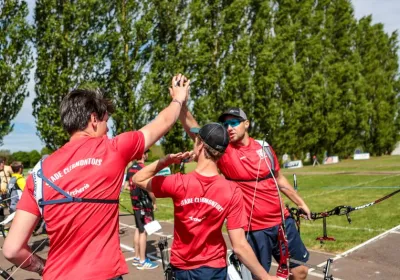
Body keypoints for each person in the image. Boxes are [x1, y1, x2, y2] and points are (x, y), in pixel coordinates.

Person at [2, 74, 190, 280]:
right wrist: (178, 98)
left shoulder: (39, 171)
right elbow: (163, 121)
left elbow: (11, 249)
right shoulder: (113, 149)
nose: (108, 129)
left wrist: (42, 268)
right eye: (106, 121)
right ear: (93, 119)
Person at [132, 122, 278, 280]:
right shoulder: (232, 190)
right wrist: (266, 277)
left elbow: (137, 178)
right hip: (213, 269)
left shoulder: (179, 182)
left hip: (182, 270)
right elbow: (240, 246)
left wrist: (165, 161)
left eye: (196, 140)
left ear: (200, 145)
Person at [179, 107, 312, 280]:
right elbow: (196, 131)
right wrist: (181, 105)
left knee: (300, 271)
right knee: (259, 277)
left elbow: (279, 179)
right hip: (254, 230)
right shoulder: (226, 152)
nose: (229, 128)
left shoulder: (265, 148)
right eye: (226, 124)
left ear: (246, 124)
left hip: (282, 223)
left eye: (234, 123)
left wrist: (300, 203)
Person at [126, 150, 159, 269]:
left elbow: (127, 186)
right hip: (144, 204)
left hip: (135, 203)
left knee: (138, 228)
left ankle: (136, 257)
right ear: (144, 155)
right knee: (143, 231)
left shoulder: (130, 169)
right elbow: (150, 190)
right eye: (147, 152)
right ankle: (142, 261)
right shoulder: (145, 169)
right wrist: (154, 202)